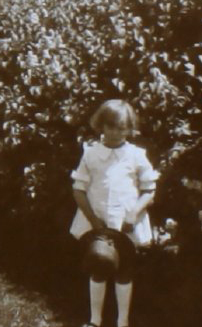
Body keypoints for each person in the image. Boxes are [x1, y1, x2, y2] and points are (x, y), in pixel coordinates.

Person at [70, 99, 159, 327]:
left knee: (124, 270)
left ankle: (123, 322)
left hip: (126, 222)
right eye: (111, 127)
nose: (117, 133)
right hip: (97, 219)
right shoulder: (91, 154)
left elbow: (149, 189)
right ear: (101, 126)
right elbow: (79, 189)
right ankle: (95, 320)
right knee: (98, 265)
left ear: (130, 128)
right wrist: (93, 220)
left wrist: (135, 213)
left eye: (122, 128)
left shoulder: (136, 155)